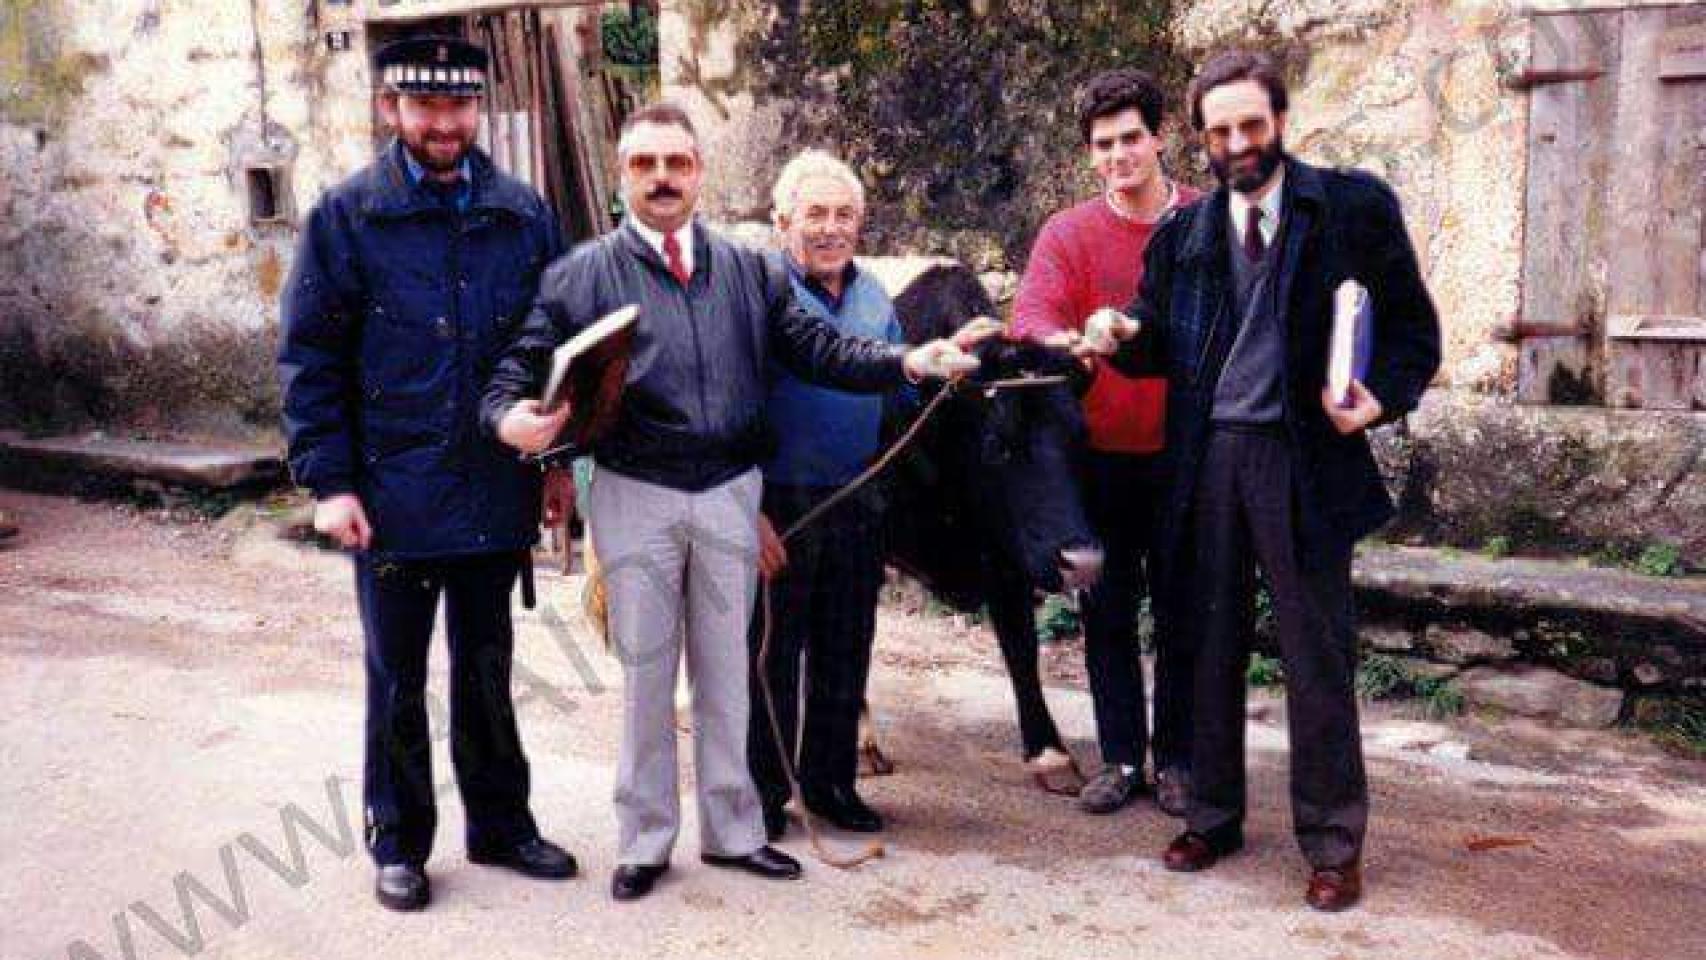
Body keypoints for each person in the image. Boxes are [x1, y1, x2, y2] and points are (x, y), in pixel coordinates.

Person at [483, 102, 989, 902]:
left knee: (730, 675)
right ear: (622, 176)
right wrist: (508, 418)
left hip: (728, 492)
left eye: (677, 163)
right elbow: (520, 365)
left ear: (699, 174)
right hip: (637, 492)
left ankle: (735, 832)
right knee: (650, 679)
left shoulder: (748, 271)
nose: (662, 178)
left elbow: (821, 348)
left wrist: (908, 362)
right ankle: (645, 841)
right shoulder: (583, 274)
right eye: (645, 164)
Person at [1085, 49, 1441, 911]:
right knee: (1204, 644)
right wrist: (1123, 333)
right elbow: (1160, 336)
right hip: (1206, 459)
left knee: (1317, 656)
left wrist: (1380, 400)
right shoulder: (1185, 235)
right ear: (1201, 139)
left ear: (1280, 121)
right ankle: (1212, 816)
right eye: (1221, 131)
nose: (1239, 143)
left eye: (1252, 124)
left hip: (1303, 459)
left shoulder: (1351, 207)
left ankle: (1333, 844)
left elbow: (1413, 333)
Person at [277, 36, 577, 912]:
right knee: (397, 678)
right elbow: (309, 359)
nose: (444, 123)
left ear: (478, 109)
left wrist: (554, 464)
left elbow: (555, 347)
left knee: (487, 666)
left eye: (459, 105)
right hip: (389, 497)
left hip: (494, 485)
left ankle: (501, 825)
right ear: (391, 109)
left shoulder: (523, 213)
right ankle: (400, 842)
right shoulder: (346, 217)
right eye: (425, 105)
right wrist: (331, 485)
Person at [1011, 67, 1201, 816]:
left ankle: (1178, 759)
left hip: (1186, 453)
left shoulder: (1203, 220)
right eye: (1103, 145)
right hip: (1097, 458)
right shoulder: (1068, 232)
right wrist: (1066, 342)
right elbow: (1030, 319)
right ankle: (1121, 757)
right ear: (1089, 154)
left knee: (1184, 611)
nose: (1118, 155)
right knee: (1106, 611)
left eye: (1130, 139)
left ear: (1159, 138)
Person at [746, 150, 907, 843]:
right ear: (781, 221)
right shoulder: (761, 295)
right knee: (771, 653)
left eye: (844, 214)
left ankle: (833, 785)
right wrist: (747, 509)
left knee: (846, 647)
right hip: (779, 500)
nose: (830, 227)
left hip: (855, 497)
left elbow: (900, 396)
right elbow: (734, 404)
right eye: (814, 213)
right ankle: (761, 792)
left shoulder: (876, 300)